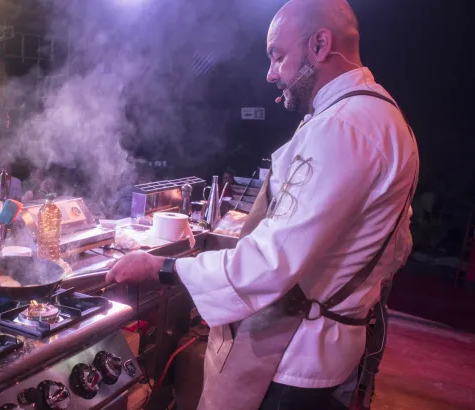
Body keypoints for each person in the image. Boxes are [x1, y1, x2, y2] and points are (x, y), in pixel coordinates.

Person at [105, 1, 418, 409]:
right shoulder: (384, 116)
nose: (271, 74)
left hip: (298, 362)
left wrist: (162, 267)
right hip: (333, 349)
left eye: (278, 56)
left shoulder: (342, 127)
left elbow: (270, 260)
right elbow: (397, 247)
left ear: (320, 45)